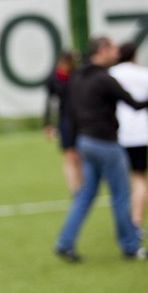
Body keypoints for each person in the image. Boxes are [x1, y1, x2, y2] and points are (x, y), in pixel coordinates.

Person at [55, 37, 148, 262]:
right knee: (121, 195)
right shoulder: (105, 79)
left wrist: (75, 143)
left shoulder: (78, 77)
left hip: (85, 142)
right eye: (113, 49)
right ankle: (131, 246)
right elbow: (136, 105)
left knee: (85, 195)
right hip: (106, 143)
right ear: (103, 50)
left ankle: (64, 243)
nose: (116, 53)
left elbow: (71, 112)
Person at [108, 42, 148, 237]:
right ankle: (136, 223)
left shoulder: (112, 73)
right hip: (140, 133)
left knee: (120, 183)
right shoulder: (145, 73)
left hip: (117, 133)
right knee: (140, 178)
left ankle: (123, 226)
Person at [44, 50, 81, 195]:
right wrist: (48, 124)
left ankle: (82, 186)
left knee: (80, 154)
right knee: (69, 155)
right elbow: (49, 102)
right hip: (65, 119)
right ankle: (74, 188)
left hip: (80, 118)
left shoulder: (77, 75)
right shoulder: (54, 78)